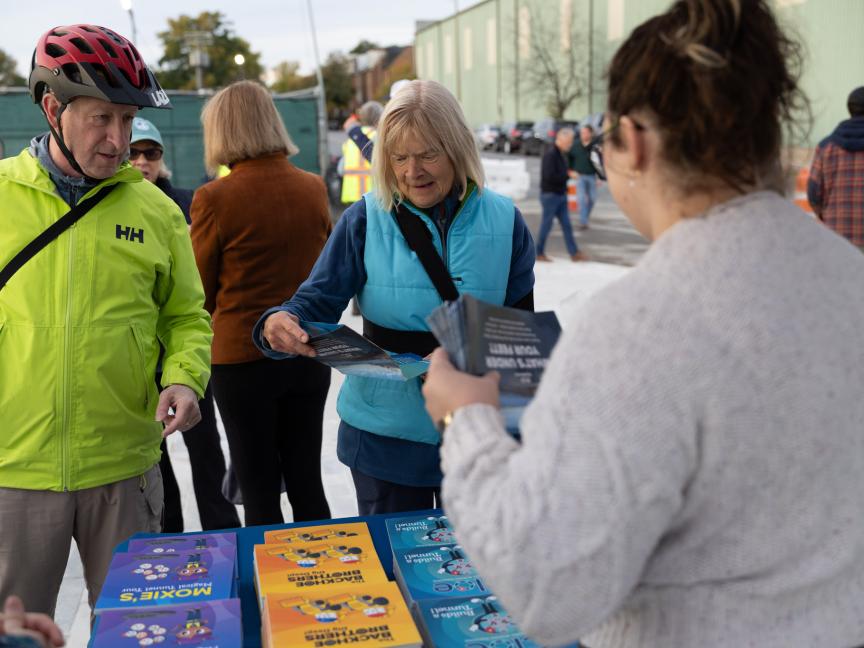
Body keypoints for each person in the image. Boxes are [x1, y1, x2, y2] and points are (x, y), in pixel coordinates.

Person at [422, 0, 864, 645]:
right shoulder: (846, 277)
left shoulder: (642, 326)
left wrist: (467, 422)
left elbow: (545, 586)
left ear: (633, 141)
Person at [0, 24, 211, 616]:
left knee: (137, 626)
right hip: (14, 469)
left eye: (127, 120)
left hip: (124, 468)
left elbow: (187, 316)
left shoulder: (156, 211)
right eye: (102, 119)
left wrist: (186, 377)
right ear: (52, 108)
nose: (119, 141)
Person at [254, 79, 536, 516]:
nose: (411, 171)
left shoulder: (506, 220)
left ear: (457, 148)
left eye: (428, 154)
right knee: (393, 573)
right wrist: (280, 321)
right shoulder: (364, 219)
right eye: (398, 157)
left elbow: (521, 332)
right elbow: (314, 302)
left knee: (483, 576)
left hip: (479, 436)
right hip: (386, 439)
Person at [190, 81, 332, 527]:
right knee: (308, 481)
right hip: (308, 350)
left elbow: (199, 291)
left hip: (241, 360)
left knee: (259, 488)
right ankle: (326, 579)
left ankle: (266, 589)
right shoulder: (312, 187)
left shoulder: (214, 197)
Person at [128, 117, 240, 533]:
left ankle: (223, 529)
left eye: (151, 154)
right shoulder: (109, 204)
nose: (142, 162)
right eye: (134, 153)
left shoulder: (185, 202)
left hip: (183, 348)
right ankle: (170, 533)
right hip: (142, 354)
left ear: (162, 159)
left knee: (206, 446)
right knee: (156, 455)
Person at [807, 86, 864, 251]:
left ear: (850, 109)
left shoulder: (826, 147)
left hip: (837, 240)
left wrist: (828, 216)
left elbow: (814, 195)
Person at [535, 128, 588, 262]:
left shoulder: (560, 154)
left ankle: (574, 253)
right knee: (546, 225)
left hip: (560, 194)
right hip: (550, 195)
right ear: (561, 139)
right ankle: (538, 252)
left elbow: (559, 172)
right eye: (568, 142)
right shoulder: (551, 154)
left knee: (566, 225)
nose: (570, 145)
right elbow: (549, 176)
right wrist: (568, 175)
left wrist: (567, 174)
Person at [340, 101, 383, 205]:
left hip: (351, 198)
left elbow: (340, 169)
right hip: (374, 198)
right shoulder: (379, 136)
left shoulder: (351, 139)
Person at [569, 125, 598, 230]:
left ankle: (585, 216)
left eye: (586, 132)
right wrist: (570, 171)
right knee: (581, 200)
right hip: (579, 176)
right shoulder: (575, 145)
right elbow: (568, 158)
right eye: (582, 133)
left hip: (592, 176)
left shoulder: (595, 145)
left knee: (592, 199)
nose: (583, 135)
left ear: (590, 133)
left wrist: (600, 177)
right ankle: (583, 221)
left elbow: (601, 162)